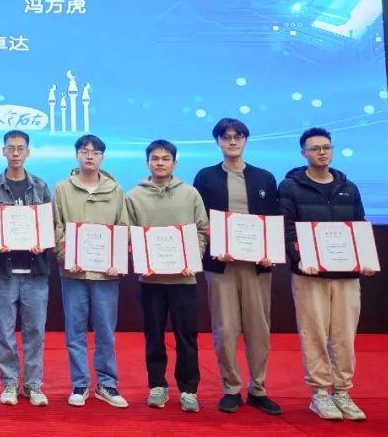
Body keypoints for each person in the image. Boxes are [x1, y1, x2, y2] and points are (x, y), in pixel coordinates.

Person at [278, 127, 372, 421]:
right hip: (309, 274)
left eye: (326, 147)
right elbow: (287, 228)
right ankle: (319, 393)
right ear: (303, 153)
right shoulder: (290, 187)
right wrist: (301, 258)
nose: (322, 152)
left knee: (344, 335)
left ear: (332, 150)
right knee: (314, 333)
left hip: (346, 275)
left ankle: (342, 392)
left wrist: (365, 258)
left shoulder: (349, 187)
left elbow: (359, 225)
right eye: (315, 148)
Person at [194, 118, 285, 416]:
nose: (232, 141)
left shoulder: (264, 178)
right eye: (226, 137)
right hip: (221, 265)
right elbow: (200, 221)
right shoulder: (205, 177)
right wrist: (215, 245)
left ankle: (258, 389)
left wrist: (270, 251)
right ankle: (231, 388)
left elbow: (274, 219)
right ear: (218, 141)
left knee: (258, 329)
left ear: (246, 140)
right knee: (225, 329)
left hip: (257, 265)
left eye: (238, 136)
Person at [125, 139, 205, 412]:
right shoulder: (134, 196)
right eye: (155, 158)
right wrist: (141, 260)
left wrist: (192, 258)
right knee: (153, 335)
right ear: (147, 162)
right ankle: (157, 385)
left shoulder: (190, 194)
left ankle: (188, 389)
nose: (160, 163)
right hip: (151, 281)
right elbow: (129, 234)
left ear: (174, 162)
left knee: (187, 336)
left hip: (184, 279)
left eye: (165, 158)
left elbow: (202, 230)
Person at [52, 135, 130, 407]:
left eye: (95, 152)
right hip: (73, 273)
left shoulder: (115, 189)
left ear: (102, 158)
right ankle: (80, 384)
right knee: (75, 331)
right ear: (76, 155)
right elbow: (57, 227)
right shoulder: (62, 189)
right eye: (84, 151)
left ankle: (107, 384)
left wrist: (117, 259)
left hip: (106, 274)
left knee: (105, 331)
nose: (89, 156)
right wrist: (65, 256)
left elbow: (122, 226)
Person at [0, 130, 56, 408]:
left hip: (35, 271)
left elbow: (49, 224)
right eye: (10, 148)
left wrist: (42, 242)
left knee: (35, 330)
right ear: (3, 151)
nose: (15, 153)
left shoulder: (41, 186)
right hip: (3, 271)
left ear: (28, 152)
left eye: (20, 148)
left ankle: (34, 384)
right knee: (4, 332)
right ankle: (10, 383)